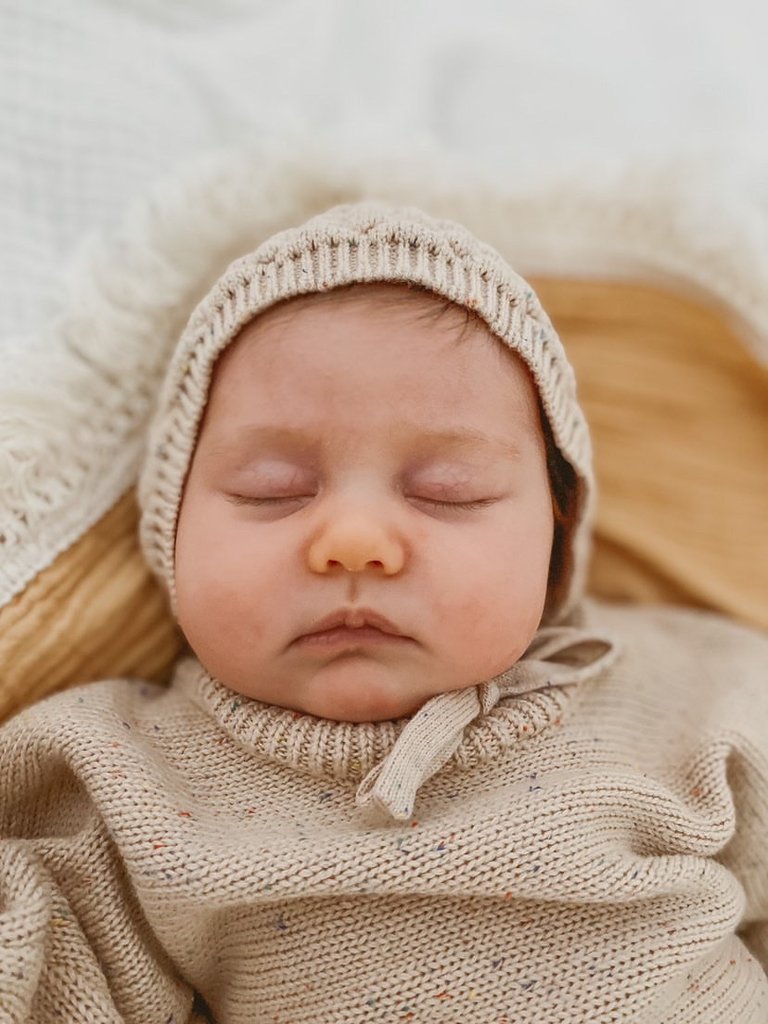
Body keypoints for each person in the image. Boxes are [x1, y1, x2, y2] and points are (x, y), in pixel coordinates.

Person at [1, 202, 767, 1023]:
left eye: (448, 493)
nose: (355, 543)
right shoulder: (120, 775)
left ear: (555, 537)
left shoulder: (694, 691)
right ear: (170, 530)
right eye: (274, 490)